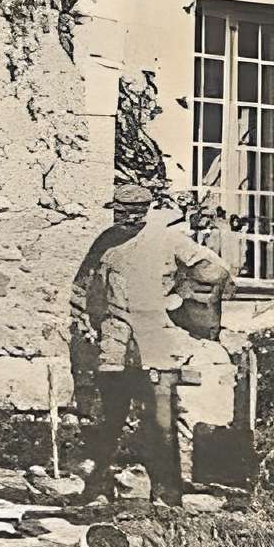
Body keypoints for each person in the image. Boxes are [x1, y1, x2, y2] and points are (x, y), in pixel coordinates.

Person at [70, 180, 236, 509]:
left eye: (133, 212)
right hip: (115, 345)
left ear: (145, 211)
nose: (126, 218)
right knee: (109, 419)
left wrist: (181, 295)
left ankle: (167, 493)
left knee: (160, 423)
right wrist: (87, 324)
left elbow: (215, 270)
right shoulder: (104, 243)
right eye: (121, 211)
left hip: (156, 343)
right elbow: (83, 286)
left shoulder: (168, 239)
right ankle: (98, 488)